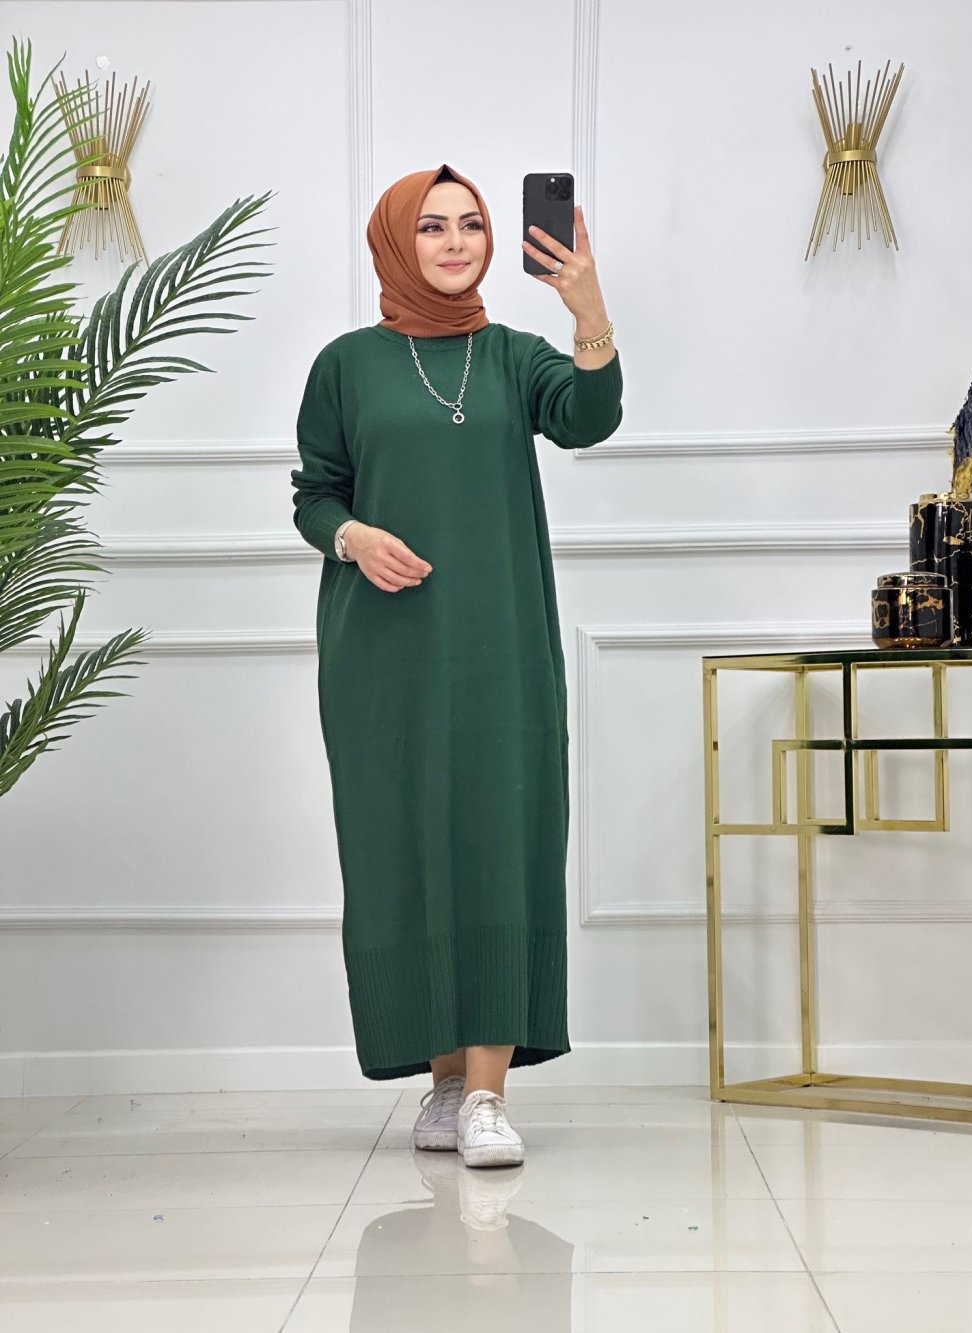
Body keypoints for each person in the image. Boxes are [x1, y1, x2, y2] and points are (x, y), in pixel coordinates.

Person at [291, 164, 622, 1168]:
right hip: (381, 649)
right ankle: (440, 1081)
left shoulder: (515, 356)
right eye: (431, 226)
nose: (454, 241)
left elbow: (589, 417)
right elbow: (315, 493)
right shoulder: (346, 365)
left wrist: (587, 309)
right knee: (401, 845)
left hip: (499, 642)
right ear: (396, 241)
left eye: (471, 224)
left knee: (498, 837)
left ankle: (486, 1095)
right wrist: (353, 537)